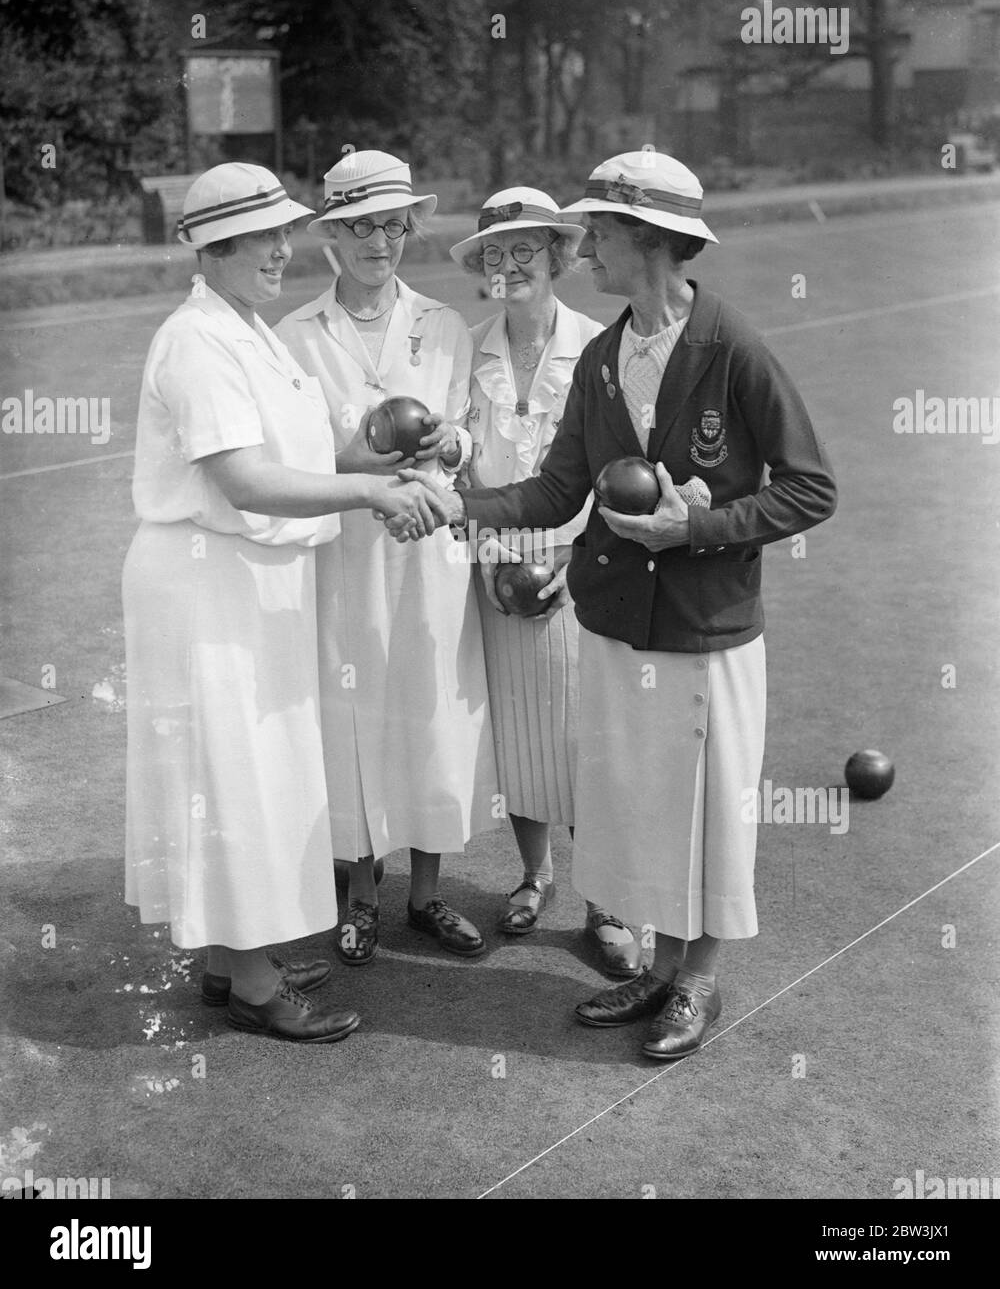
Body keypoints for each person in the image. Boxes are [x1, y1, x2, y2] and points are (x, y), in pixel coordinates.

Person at [398, 151, 837, 1060]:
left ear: (651, 239)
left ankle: (700, 982)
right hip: (614, 624)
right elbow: (557, 491)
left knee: (707, 809)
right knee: (640, 803)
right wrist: (459, 508)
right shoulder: (603, 358)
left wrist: (698, 528)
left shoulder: (732, 345)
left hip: (705, 627)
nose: (586, 244)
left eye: (599, 229)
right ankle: (661, 968)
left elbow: (810, 489)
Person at [123, 163, 445, 1044]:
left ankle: (234, 963)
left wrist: (365, 463)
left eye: (283, 232)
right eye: (264, 237)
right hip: (206, 582)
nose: (282, 248)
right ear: (215, 247)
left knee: (253, 771)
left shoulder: (247, 331)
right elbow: (247, 479)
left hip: (249, 581)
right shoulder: (198, 341)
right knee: (232, 775)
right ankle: (259, 986)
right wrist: (367, 496)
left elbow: (296, 451)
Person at [275, 151, 499, 967]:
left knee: (429, 711)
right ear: (333, 233)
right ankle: (361, 893)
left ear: (411, 227)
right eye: (362, 224)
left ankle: (426, 894)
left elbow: (467, 433)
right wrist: (351, 462)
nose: (381, 239)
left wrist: (453, 440)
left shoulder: (441, 325)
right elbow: (287, 462)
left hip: (428, 550)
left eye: (394, 223)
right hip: (345, 554)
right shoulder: (293, 336)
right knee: (356, 711)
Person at [450, 186, 641, 978]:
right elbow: (457, 453)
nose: (510, 266)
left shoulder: (599, 345)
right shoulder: (467, 348)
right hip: (495, 567)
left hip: (575, 568)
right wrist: (483, 543)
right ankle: (535, 875)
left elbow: (625, 473)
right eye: (496, 253)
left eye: (526, 249)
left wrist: (577, 555)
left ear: (560, 256)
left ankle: (607, 901)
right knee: (520, 733)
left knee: (583, 740)